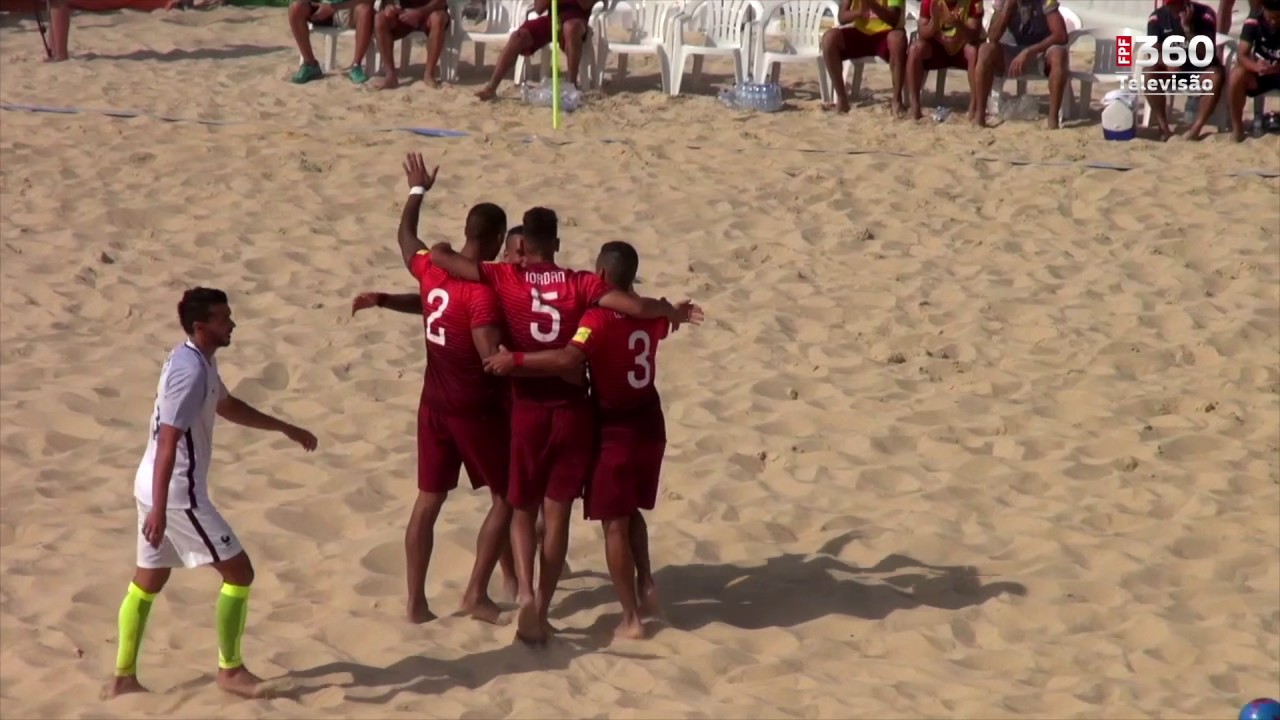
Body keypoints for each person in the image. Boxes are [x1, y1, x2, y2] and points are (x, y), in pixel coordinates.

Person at [428, 201, 692, 645]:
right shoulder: (582, 283)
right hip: (574, 412)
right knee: (558, 516)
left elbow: (440, 257)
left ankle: (526, 594)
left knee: (520, 507)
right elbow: (632, 304)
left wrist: (441, 246)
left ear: (524, 245)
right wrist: (668, 310)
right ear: (557, 243)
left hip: (528, 410)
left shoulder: (504, 276)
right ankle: (544, 608)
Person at [108, 288, 318, 699]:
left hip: (153, 487)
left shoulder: (197, 360)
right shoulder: (190, 372)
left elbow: (227, 405)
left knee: (148, 580)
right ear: (201, 326)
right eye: (224, 319)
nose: (232, 324)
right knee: (240, 573)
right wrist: (161, 513)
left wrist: (284, 427)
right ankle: (231, 670)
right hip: (176, 494)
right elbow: (169, 438)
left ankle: (123, 677)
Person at [484, 242, 701, 640]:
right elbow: (663, 319)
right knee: (631, 509)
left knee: (613, 523)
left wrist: (514, 360)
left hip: (614, 428)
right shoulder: (652, 316)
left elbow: (568, 360)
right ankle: (647, 583)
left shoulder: (596, 320)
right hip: (650, 422)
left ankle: (631, 618)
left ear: (600, 276)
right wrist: (674, 311)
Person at [475, 0, 598, 101]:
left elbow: (585, 4)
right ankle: (491, 87)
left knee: (570, 27)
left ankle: (572, 88)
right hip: (553, 20)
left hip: (577, 20)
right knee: (518, 37)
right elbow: (538, 8)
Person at [972, 0, 1070, 128]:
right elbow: (992, 37)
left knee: (1059, 54)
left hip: (1039, 52)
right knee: (985, 50)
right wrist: (1007, 9)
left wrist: (1029, 52)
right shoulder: (1003, 2)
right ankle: (980, 116)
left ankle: (1053, 119)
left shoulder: (1045, 2)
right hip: (1009, 53)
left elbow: (1061, 35)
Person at [1144, 0, 1225, 140]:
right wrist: (1166, 61)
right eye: (1170, 4)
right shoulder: (1157, 17)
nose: (1174, 7)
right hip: (1174, 69)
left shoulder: (1205, 14)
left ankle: (1196, 129)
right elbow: (1153, 52)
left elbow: (1205, 53)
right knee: (1149, 73)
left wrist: (1188, 29)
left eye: (1177, 3)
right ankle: (1163, 129)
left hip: (1200, 68)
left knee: (1216, 76)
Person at [821, 0, 909, 115]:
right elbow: (842, 17)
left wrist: (871, 3)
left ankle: (897, 100)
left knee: (898, 39)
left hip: (887, 33)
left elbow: (893, 19)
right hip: (861, 32)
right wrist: (858, 13)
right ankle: (842, 99)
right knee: (829, 39)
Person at [906, 0, 984, 120]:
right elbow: (922, 33)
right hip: (938, 48)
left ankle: (974, 105)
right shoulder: (929, 2)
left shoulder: (974, 2)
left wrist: (958, 24)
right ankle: (915, 104)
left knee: (973, 51)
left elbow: (974, 35)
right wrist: (935, 21)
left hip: (962, 47)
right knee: (915, 49)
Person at [288, 0, 377, 84]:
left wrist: (334, 7)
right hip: (323, 10)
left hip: (351, 10)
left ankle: (356, 65)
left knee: (365, 10)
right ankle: (310, 63)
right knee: (296, 8)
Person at [1227, 0, 1280, 141]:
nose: (1274, 22)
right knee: (1236, 75)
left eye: (1278, 18)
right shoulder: (1253, 21)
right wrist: (1257, 67)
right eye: (1271, 18)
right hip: (1262, 72)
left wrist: (1276, 67)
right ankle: (1237, 130)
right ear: (1263, 11)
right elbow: (1242, 55)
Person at [373, 0, 451, 89]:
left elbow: (440, 2)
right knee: (380, 18)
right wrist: (389, 6)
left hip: (431, 11)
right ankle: (390, 76)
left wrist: (419, 13)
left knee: (438, 18)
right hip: (406, 13)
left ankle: (429, 75)